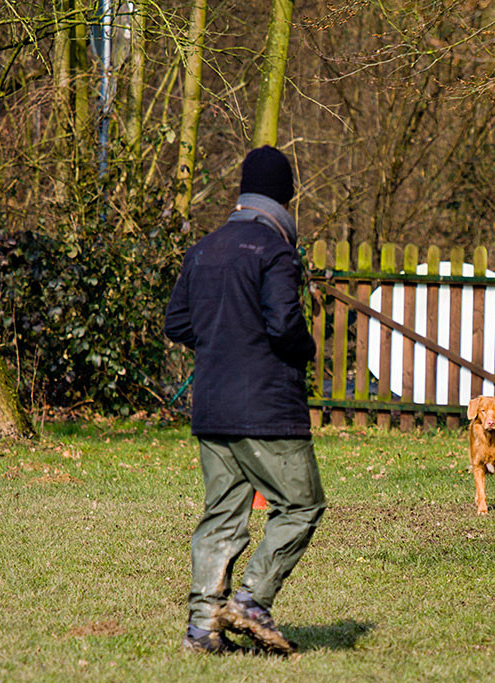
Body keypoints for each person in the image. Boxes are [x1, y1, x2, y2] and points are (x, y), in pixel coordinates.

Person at [164, 145, 325, 656]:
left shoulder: (205, 248)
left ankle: (202, 630)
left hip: (211, 407)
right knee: (301, 504)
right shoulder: (275, 249)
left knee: (222, 516)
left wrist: (223, 340)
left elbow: (177, 323)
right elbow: (283, 323)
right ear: (285, 195)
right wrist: (304, 349)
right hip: (266, 407)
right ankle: (252, 601)